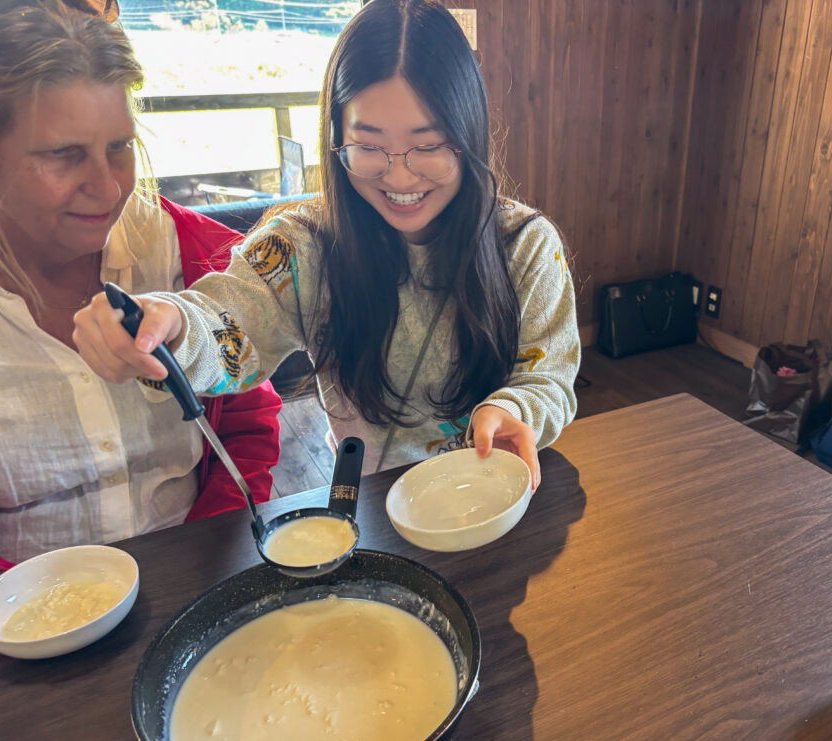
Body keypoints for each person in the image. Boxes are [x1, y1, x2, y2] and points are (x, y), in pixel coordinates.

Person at [75, 0, 579, 490]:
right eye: (368, 146)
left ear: (469, 134)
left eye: (428, 145)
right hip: (372, 508)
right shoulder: (305, 244)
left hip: (497, 494)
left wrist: (512, 408)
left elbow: (550, 378)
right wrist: (175, 325)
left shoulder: (526, 247)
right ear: (336, 137)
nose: (399, 175)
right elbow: (231, 325)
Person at [0, 0, 283, 571]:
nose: (107, 187)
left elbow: (247, 420)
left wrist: (204, 559)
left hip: (197, 578)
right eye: (64, 155)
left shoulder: (191, 252)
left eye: (119, 148)